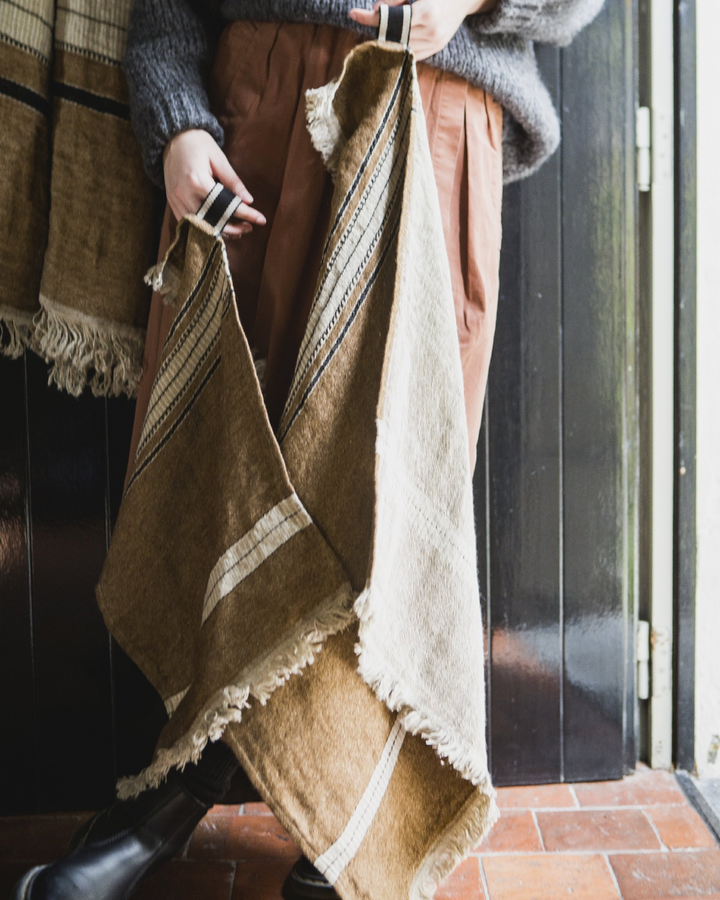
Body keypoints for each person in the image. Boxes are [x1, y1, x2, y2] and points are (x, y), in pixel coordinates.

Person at [12, 0, 605, 898]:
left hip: (435, 115)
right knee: (221, 465)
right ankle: (175, 792)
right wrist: (174, 120)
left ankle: (348, 845)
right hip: (255, 116)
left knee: (384, 491)